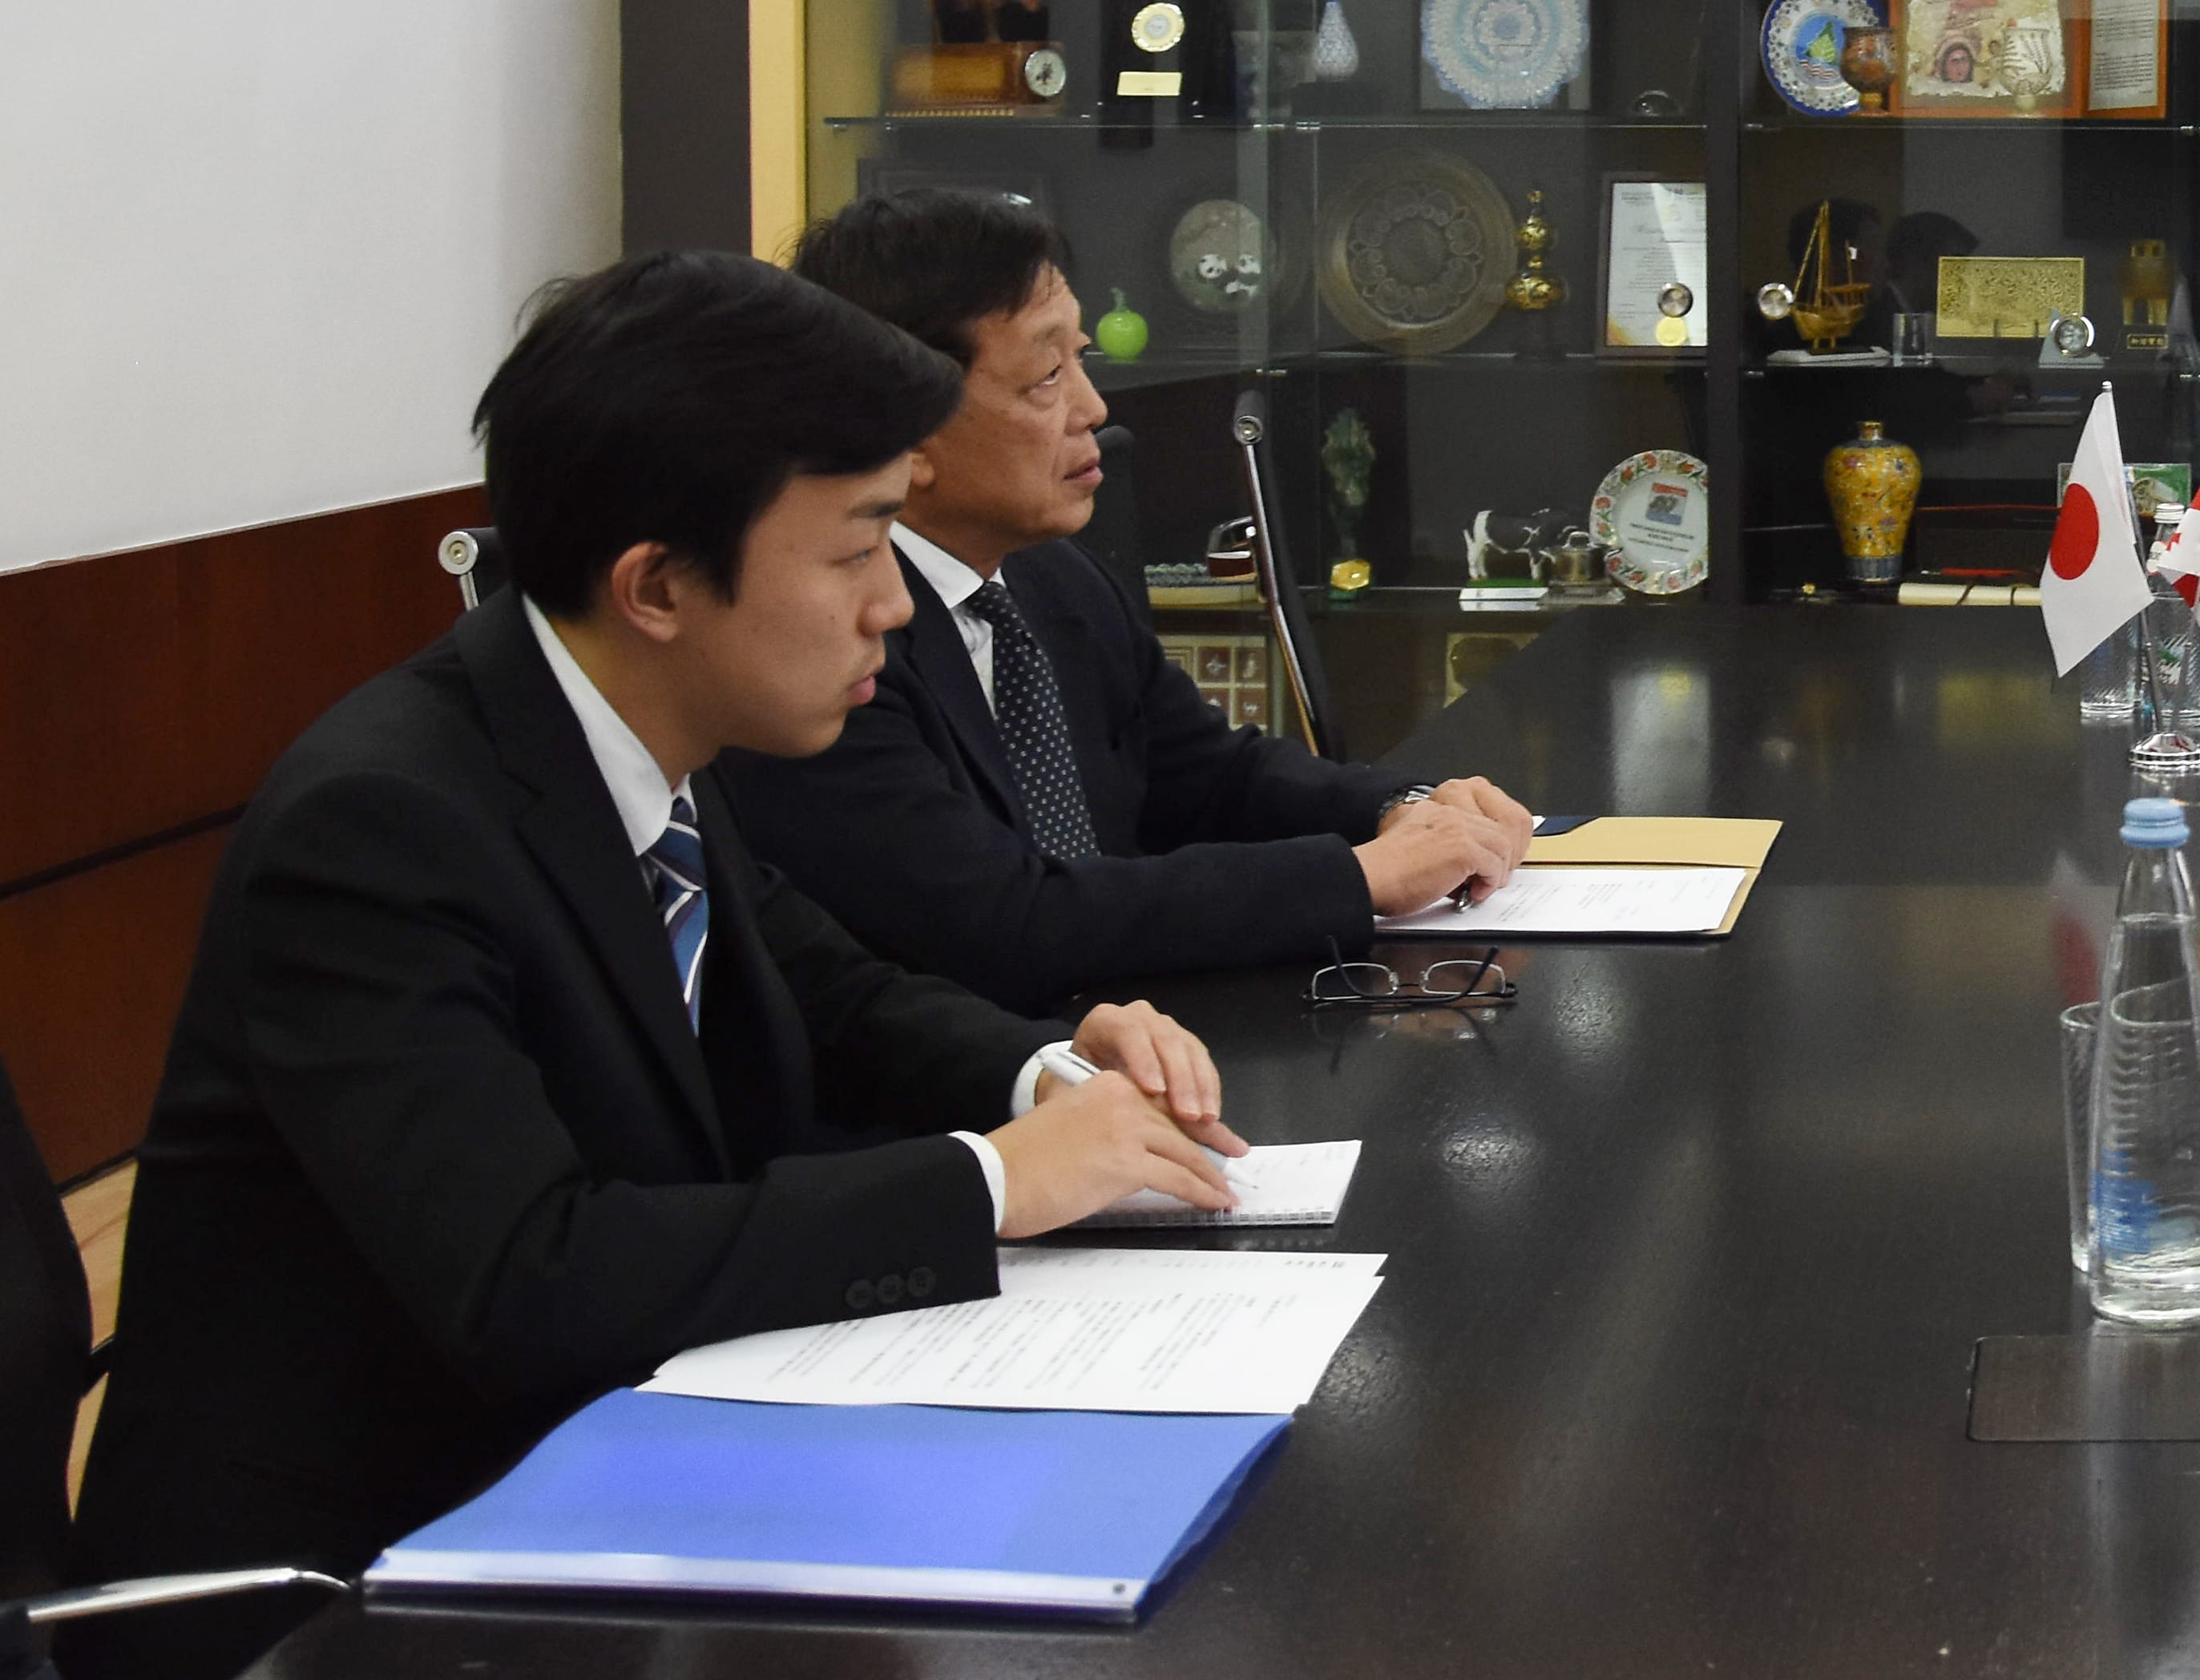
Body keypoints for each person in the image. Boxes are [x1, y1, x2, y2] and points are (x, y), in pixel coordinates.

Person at [75, 255, 1251, 1655]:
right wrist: (992, 1181)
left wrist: (1042, 1072)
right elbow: (532, 1273)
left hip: (611, 1476)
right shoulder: (381, 826)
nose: (893, 602)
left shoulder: (642, 739)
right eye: (858, 546)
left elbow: (833, 994)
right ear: (656, 585)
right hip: (351, 1591)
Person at [721, 189, 1534, 1014]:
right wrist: (1354, 877)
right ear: (911, 433)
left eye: (1079, 359)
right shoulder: (835, 641)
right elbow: (1004, 920)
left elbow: (1211, 777)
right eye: (1047, 377)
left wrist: (1403, 810)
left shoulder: (1053, 577)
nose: (1094, 408)